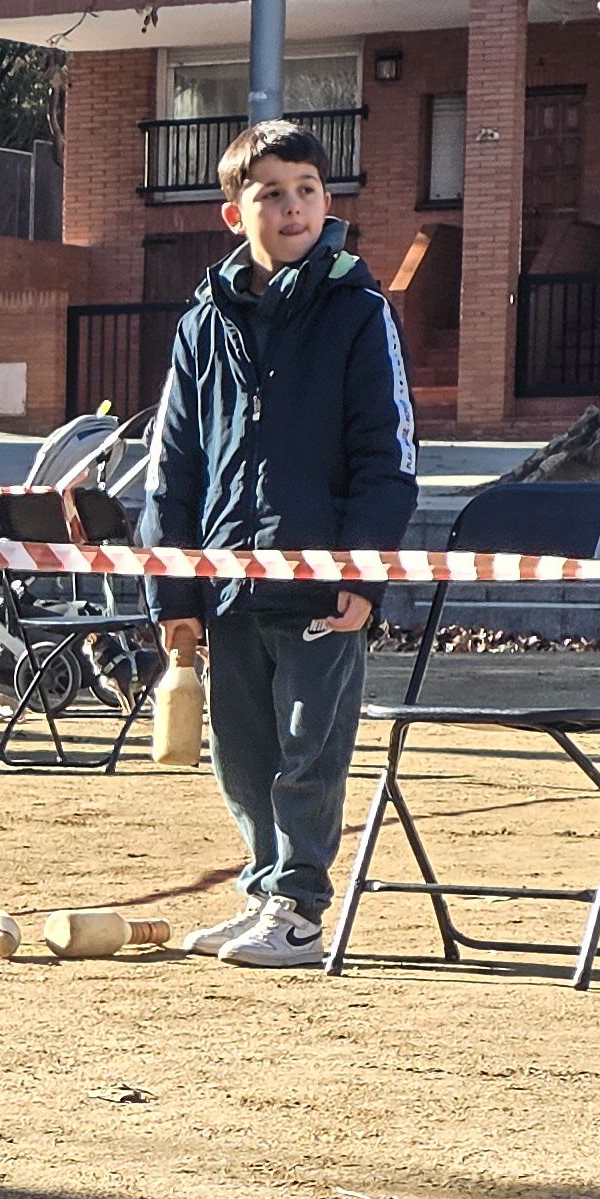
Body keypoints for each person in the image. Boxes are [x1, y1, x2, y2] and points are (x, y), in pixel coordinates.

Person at [150, 117, 417, 969]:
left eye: (306, 190)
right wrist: (175, 593)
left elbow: (388, 456)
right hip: (226, 583)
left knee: (310, 751)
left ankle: (299, 909)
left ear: (327, 203)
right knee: (242, 755)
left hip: (321, 588)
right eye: (271, 194)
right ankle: (264, 890)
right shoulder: (203, 322)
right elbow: (173, 464)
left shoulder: (358, 311)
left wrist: (362, 575)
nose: (292, 206)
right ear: (236, 214)